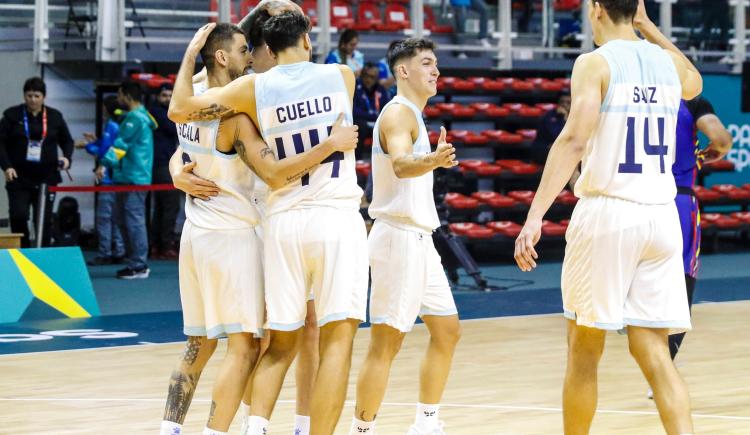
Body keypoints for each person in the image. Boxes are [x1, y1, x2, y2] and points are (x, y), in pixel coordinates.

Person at [169, 11, 368, 435]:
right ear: (308, 42)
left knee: (278, 343)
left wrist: (191, 56)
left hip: (279, 222)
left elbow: (181, 109)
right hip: (326, 217)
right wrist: (330, 143)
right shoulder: (342, 76)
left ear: (266, 51)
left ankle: (254, 427)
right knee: (336, 339)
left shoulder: (251, 90)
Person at [513, 0, 702, 433]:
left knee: (583, 349)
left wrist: (534, 215)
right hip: (660, 218)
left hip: (609, 213)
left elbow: (574, 140)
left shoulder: (594, 63)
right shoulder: (667, 64)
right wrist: (649, 28)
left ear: (596, 9)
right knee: (654, 350)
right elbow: (695, 80)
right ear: (633, 10)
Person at [350, 38, 460, 435]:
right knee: (386, 344)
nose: (436, 71)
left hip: (419, 240)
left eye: (437, 64)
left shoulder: (413, 113)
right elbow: (399, 163)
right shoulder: (398, 115)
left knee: (447, 331)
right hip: (398, 238)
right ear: (403, 71)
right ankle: (361, 430)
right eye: (427, 63)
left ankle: (425, 423)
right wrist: (433, 159)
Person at [666, 96, 732, 366]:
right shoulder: (691, 101)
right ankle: (664, 365)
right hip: (678, 200)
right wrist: (710, 153)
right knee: (682, 284)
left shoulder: (628, 93)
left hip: (632, 197)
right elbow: (721, 139)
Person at [0, 77, 73, 247]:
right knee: (19, 215)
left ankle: (42, 255)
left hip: (46, 177)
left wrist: (67, 158)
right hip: (19, 177)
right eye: (29, 95)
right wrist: (6, 166)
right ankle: (24, 250)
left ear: (44, 97)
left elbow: (67, 141)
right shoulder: (12, 115)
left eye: (37, 96)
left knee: (43, 220)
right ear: (24, 96)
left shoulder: (55, 116)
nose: (32, 100)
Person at [98, 80, 155, 279]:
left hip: (134, 178)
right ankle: (135, 262)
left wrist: (104, 164)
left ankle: (139, 265)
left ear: (127, 96)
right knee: (123, 220)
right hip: (126, 177)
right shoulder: (136, 117)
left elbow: (121, 145)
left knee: (134, 221)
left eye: (120, 95)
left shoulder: (135, 119)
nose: (118, 99)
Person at [83, 95, 126, 265]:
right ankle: (120, 249)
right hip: (119, 177)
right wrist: (96, 141)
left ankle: (105, 252)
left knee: (104, 217)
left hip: (108, 178)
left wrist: (88, 146)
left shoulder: (111, 125)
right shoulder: (121, 124)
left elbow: (104, 151)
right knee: (116, 217)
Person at [149, 83, 181, 259]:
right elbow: (174, 129)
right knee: (170, 206)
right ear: (157, 97)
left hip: (163, 164)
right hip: (162, 165)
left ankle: (157, 245)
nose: (168, 98)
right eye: (164, 95)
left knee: (161, 208)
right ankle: (165, 245)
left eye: (170, 95)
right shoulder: (157, 112)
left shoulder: (162, 112)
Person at [353, 62, 391, 152]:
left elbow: (387, 109)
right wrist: (374, 116)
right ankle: (358, 161)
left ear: (377, 78)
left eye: (372, 77)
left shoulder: (381, 89)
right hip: (362, 123)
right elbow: (354, 111)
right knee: (358, 126)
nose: (368, 79)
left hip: (378, 123)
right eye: (366, 76)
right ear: (361, 76)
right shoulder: (355, 88)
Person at [530, 92, 571, 164]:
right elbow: (557, 136)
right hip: (543, 150)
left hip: (559, 149)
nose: (564, 104)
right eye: (562, 102)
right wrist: (564, 119)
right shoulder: (549, 116)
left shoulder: (574, 116)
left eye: (568, 102)